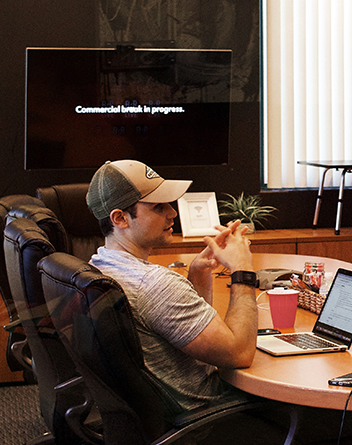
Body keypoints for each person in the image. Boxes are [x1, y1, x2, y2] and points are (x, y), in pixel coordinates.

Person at [86, 159, 260, 413]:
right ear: (120, 218)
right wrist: (242, 270)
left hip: (153, 416)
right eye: (158, 207)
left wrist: (198, 273)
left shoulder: (97, 265)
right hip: (210, 415)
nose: (172, 213)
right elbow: (239, 353)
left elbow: (185, 331)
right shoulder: (154, 284)